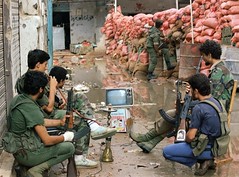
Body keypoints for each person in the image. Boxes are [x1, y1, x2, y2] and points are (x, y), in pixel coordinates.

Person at [15, 50, 117, 168]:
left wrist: (59, 102)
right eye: (44, 65)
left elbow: (48, 100)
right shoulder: (30, 81)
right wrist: (53, 88)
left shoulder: (37, 77)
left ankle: (93, 125)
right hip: (44, 116)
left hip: (48, 111)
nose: (45, 68)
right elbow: (48, 108)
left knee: (79, 97)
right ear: (38, 64)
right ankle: (80, 156)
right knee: (80, 120)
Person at [130, 39, 234, 153]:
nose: (203, 59)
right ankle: (149, 143)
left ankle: (147, 137)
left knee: (174, 114)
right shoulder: (221, 69)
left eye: (203, 56)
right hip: (214, 109)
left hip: (213, 112)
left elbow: (209, 99)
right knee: (178, 113)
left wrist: (191, 100)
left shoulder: (218, 73)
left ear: (209, 55)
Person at [3, 71, 76, 177]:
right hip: (28, 155)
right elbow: (47, 140)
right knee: (69, 148)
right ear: (41, 89)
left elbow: (38, 121)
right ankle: (36, 170)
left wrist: (60, 122)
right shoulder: (30, 107)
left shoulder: (19, 100)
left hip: (19, 151)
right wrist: (65, 137)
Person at [163, 73, 222, 176]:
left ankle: (200, 160)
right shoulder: (216, 102)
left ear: (196, 91)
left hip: (203, 148)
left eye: (191, 89)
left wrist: (183, 138)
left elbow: (190, 137)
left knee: (166, 152)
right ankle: (207, 160)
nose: (189, 91)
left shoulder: (199, 108)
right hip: (216, 148)